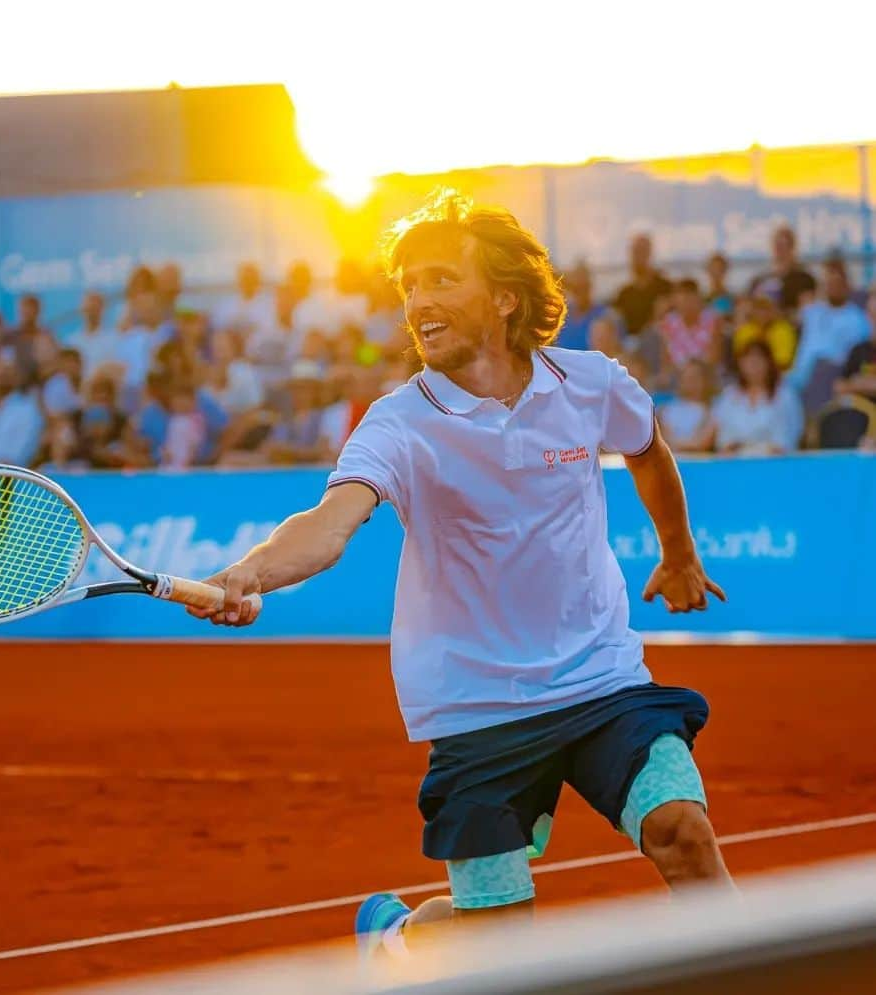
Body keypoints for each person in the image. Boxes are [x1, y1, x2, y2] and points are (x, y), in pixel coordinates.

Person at [187, 190, 731, 957]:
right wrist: (250, 570)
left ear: (504, 297)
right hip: (478, 708)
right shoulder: (399, 422)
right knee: (496, 941)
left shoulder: (588, 382)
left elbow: (644, 447)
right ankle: (402, 941)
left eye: (440, 279)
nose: (417, 301)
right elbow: (330, 520)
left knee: (685, 835)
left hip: (602, 679)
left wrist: (677, 552)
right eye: (408, 285)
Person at [784, 257, 870, 404]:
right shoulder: (812, 310)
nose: (833, 287)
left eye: (838, 284)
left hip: (831, 375)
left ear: (847, 286)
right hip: (798, 377)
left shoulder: (858, 318)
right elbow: (789, 317)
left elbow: (859, 355)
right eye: (829, 283)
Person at [713, 341, 803, 455]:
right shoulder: (728, 396)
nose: (753, 363)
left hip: (773, 462)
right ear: (740, 363)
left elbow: (791, 435)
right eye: (748, 358)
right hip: (733, 463)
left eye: (759, 358)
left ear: (769, 362)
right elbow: (720, 438)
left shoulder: (785, 396)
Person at [612, 234, 673, 336]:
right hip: (630, 347)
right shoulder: (624, 294)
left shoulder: (666, 288)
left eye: (642, 251)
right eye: (635, 252)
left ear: (649, 254)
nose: (637, 257)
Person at [747, 225, 816, 315]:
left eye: (785, 245)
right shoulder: (759, 280)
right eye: (777, 245)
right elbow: (749, 308)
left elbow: (807, 312)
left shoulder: (805, 279)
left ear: (793, 248)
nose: (780, 250)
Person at [657, 359, 716, 453]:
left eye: (695, 376)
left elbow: (704, 443)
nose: (690, 381)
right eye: (686, 376)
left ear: (705, 379)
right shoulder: (666, 410)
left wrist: (677, 444)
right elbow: (664, 440)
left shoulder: (713, 410)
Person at [731, 290, 798, 371]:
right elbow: (739, 358)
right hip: (749, 375)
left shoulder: (783, 329)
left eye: (766, 308)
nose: (762, 313)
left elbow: (784, 361)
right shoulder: (745, 331)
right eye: (758, 308)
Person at [66, 292, 121, 379]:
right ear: (82, 310)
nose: (91, 313)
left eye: (95, 308)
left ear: (103, 309)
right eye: (89, 308)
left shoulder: (115, 339)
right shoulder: (72, 342)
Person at [559, 261, 605, 350]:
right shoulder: (560, 317)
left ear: (591, 286)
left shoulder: (605, 316)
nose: (580, 292)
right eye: (576, 288)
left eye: (584, 287)